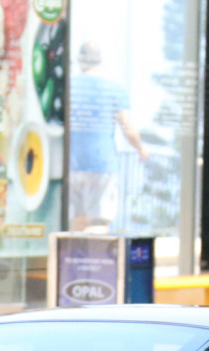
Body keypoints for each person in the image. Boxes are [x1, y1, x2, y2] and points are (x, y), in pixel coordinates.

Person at [68, 42, 147, 232]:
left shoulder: (69, 87)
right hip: (101, 164)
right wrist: (140, 148)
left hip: (70, 164)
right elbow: (126, 127)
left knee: (77, 221)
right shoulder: (114, 90)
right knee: (99, 222)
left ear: (79, 61)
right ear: (100, 61)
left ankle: (74, 260)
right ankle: (95, 261)